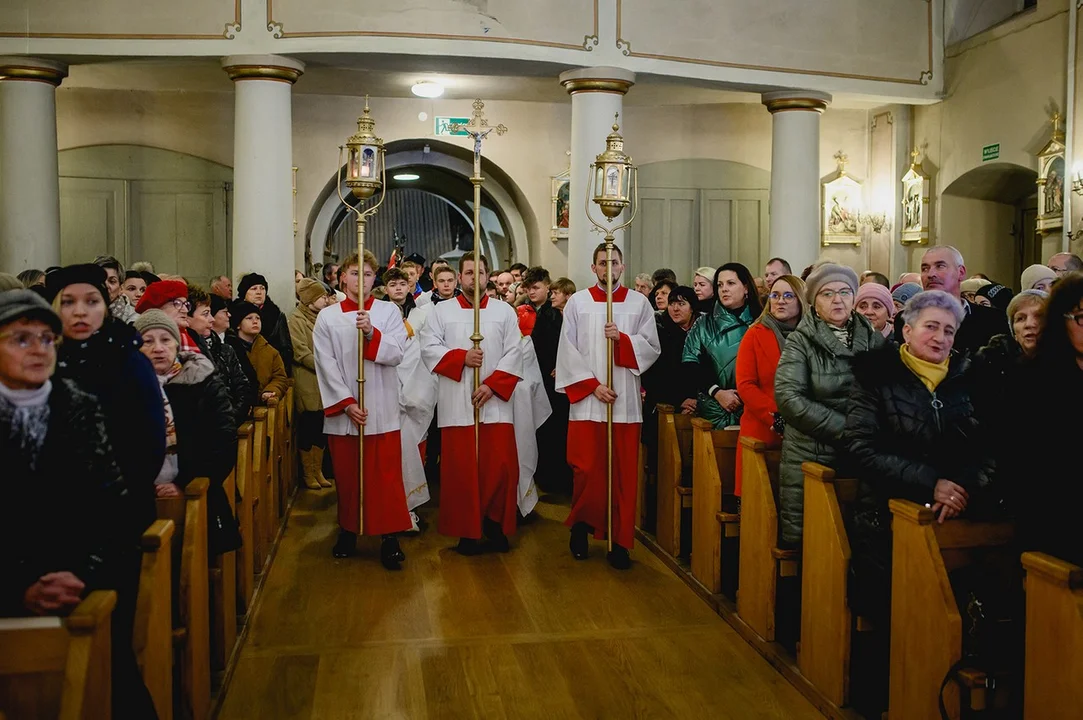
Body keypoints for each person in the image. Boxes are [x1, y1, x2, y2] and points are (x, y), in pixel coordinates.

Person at [0, 288, 157, 717]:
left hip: (84, 588)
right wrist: (21, 586)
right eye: (21, 339)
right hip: (9, 594)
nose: (38, 350)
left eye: (47, 339)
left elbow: (113, 506)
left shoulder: (78, 405)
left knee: (113, 687)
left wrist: (81, 574)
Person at [845, 290, 993, 626]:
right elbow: (860, 447)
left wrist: (960, 489)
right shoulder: (874, 375)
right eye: (931, 327)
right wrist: (931, 483)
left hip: (958, 514)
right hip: (887, 516)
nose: (940, 337)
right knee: (894, 619)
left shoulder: (971, 377)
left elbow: (990, 445)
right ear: (906, 331)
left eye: (949, 330)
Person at [556, 243, 660, 569]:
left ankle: (619, 542)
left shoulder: (638, 303)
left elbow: (651, 348)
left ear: (622, 266)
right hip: (588, 402)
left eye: (614, 262)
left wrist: (623, 341)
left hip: (625, 403)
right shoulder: (578, 302)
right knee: (587, 470)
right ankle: (581, 526)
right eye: (602, 263)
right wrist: (592, 386)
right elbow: (567, 352)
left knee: (622, 474)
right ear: (594, 267)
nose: (608, 268)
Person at [49, 264, 166, 534]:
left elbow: (150, 441)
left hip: (121, 506)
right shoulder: (44, 361)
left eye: (92, 301)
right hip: (54, 511)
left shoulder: (128, 359)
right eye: (68, 302)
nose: (80, 311)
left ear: (105, 306)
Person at [775, 263, 885, 546]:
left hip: (859, 457)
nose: (837, 299)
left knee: (858, 542)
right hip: (812, 455)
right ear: (814, 302)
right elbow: (790, 399)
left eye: (845, 292)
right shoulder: (800, 341)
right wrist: (848, 429)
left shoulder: (873, 338)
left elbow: (888, 390)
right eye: (827, 294)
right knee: (815, 544)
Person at [421, 253, 523, 555]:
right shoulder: (441, 312)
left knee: (499, 468)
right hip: (458, 406)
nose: (472, 278)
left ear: (486, 276)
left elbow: (515, 352)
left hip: (495, 405)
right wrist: (461, 357)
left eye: (478, 272)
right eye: (467, 273)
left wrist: (492, 385)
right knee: (462, 472)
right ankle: (467, 530)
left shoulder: (504, 312)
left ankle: (494, 524)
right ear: (459, 277)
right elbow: (428, 348)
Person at [314, 252, 411, 567]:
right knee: (348, 475)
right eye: (355, 273)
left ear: (375, 279)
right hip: (346, 412)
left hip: (381, 407)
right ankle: (348, 529)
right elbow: (324, 363)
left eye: (368, 274)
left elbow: (397, 353)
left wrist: (371, 333)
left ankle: (389, 536)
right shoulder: (327, 317)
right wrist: (346, 402)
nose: (361, 279)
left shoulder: (388, 311)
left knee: (384, 477)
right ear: (343, 277)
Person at [135, 311, 241, 556]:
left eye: (165, 340)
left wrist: (184, 483)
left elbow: (223, 440)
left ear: (177, 343)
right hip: (142, 498)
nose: (158, 348)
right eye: (147, 341)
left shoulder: (202, 380)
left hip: (197, 490)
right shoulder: (125, 386)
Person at [1015, 273, 1083, 564]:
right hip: (1057, 520)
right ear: (1060, 320)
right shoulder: (1034, 377)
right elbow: (1027, 459)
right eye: (1081, 317)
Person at [734, 275, 806, 496]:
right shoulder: (755, 333)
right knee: (759, 510)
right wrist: (777, 417)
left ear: (801, 300)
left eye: (787, 296)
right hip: (763, 432)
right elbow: (746, 385)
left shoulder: (811, 337)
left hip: (803, 435)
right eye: (775, 295)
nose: (780, 301)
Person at [682, 263, 761, 429]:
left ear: (746, 287)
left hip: (754, 409)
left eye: (731, 283)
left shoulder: (761, 322)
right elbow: (690, 364)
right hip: (713, 410)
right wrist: (716, 392)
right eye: (719, 285)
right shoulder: (703, 324)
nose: (724, 289)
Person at [893, 246, 1004, 356]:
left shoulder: (993, 319)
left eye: (940, 266)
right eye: (925, 268)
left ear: (961, 272)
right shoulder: (906, 318)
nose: (931, 274)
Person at [520, 266, 570, 494]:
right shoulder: (540, 313)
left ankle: (557, 479)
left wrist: (562, 366)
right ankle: (546, 477)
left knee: (557, 430)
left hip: (556, 379)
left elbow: (566, 344)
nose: (531, 292)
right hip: (540, 375)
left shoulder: (553, 314)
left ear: (548, 287)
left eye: (536, 287)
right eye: (528, 288)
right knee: (544, 429)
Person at [641, 285, 697, 486]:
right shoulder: (659, 332)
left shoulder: (700, 332)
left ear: (692, 308)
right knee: (660, 466)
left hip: (695, 406)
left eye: (681, 304)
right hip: (662, 406)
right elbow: (654, 375)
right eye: (672, 303)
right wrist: (681, 399)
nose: (675, 308)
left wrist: (695, 398)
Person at [290, 278, 334, 490]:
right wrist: (325, 364)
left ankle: (319, 470)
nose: (325, 300)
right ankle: (308, 472)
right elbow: (299, 351)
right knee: (308, 425)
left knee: (321, 426)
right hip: (308, 378)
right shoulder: (296, 320)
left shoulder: (322, 318)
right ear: (309, 300)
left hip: (324, 381)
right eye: (320, 297)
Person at [188, 286, 253, 428]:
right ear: (187, 318)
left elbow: (243, 387)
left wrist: (230, 419)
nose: (211, 320)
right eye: (205, 314)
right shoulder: (185, 354)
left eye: (211, 313)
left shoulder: (225, 350)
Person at [230, 300, 288, 404]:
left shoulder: (271, 351)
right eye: (249, 318)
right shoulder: (229, 349)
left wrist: (270, 390)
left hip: (261, 407)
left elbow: (280, 377)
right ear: (238, 324)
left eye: (258, 318)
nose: (255, 321)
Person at [237, 272, 294, 373]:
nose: (259, 292)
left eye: (262, 288)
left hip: (271, 370)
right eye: (254, 289)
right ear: (244, 293)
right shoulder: (233, 313)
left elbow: (286, 350)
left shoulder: (276, 315)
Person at [136, 279, 203, 354]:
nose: (185, 310)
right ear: (157, 310)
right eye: (177, 303)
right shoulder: (139, 338)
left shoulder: (190, 335)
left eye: (185, 304)